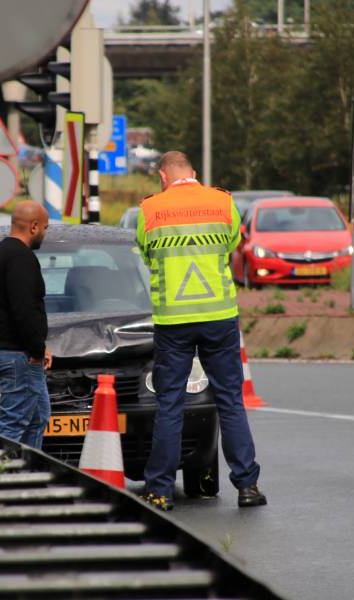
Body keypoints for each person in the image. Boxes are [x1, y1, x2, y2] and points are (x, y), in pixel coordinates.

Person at [136, 151, 266, 510]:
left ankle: (160, 490)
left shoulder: (150, 210)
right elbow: (230, 247)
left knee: (170, 405)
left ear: (163, 176)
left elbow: (148, 256)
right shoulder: (223, 203)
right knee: (230, 401)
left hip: (173, 323)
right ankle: (247, 486)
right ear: (192, 173)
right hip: (219, 317)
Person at [0, 201, 53, 448]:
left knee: (38, 416)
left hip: (5, 348)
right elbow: (24, 310)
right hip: (18, 354)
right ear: (33, 226)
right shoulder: (22, 259)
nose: (45, 232)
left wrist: (39, 347)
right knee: (15, 422)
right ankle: (0, 478)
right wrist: (36, 350)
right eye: (44, 227)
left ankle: (30, 471)